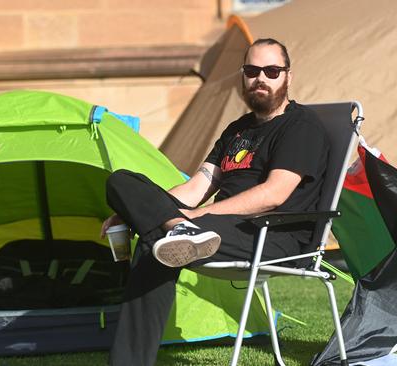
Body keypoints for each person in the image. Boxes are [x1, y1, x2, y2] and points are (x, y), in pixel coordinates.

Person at [101, 38, 330, 366]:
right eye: (252, 70)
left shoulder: (301, 127)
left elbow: (274, 194)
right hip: (215, 227)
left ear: (288, 77)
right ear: (243, 76)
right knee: (121, 181)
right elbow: (198, 185)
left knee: (156, 240)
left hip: (273, 234)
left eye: (272, 70)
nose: (260, 78)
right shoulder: (238, 129)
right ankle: (175, 228)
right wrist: (131, 209)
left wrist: (197, 215)